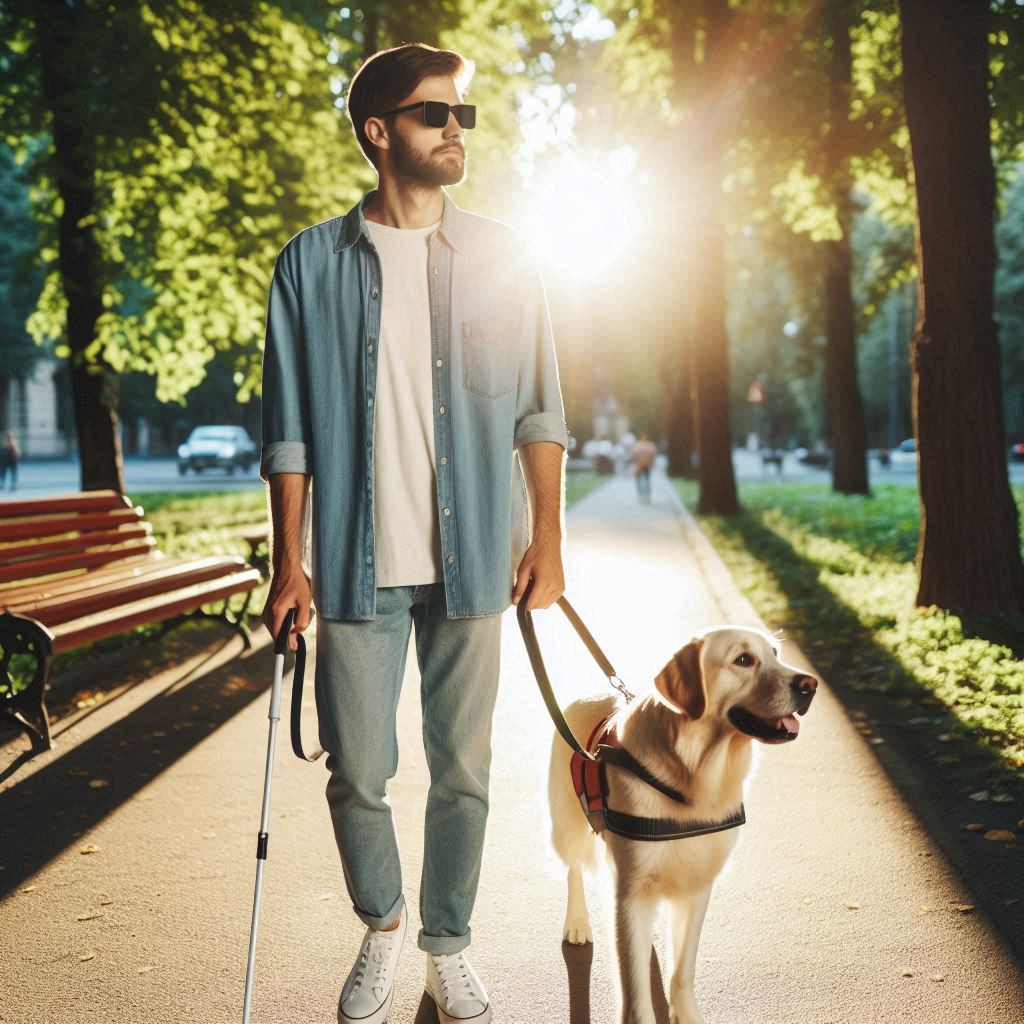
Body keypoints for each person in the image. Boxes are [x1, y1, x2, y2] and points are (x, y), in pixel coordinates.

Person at [258, 43, 570, 1024]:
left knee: (464, 771)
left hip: (475, 560)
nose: (455, 131)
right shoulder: (308, 265)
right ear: (378, 131)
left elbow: (539, 410)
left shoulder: (508, 259)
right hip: (353, 568)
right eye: (437, 114)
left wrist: (549, 538)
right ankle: (384, 923)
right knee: (358, 772)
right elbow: (290, 429)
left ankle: (449, 945)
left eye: (463, 115)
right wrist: (289, 564)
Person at [631, 432, 657, 503]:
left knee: (640, 480)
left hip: (640, 465)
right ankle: (646, 495)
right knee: (647, 479)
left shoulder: (637, 445)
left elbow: (634, 455)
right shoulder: (651, 445)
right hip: (646, 465)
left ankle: (642, 495)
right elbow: (653, 455)